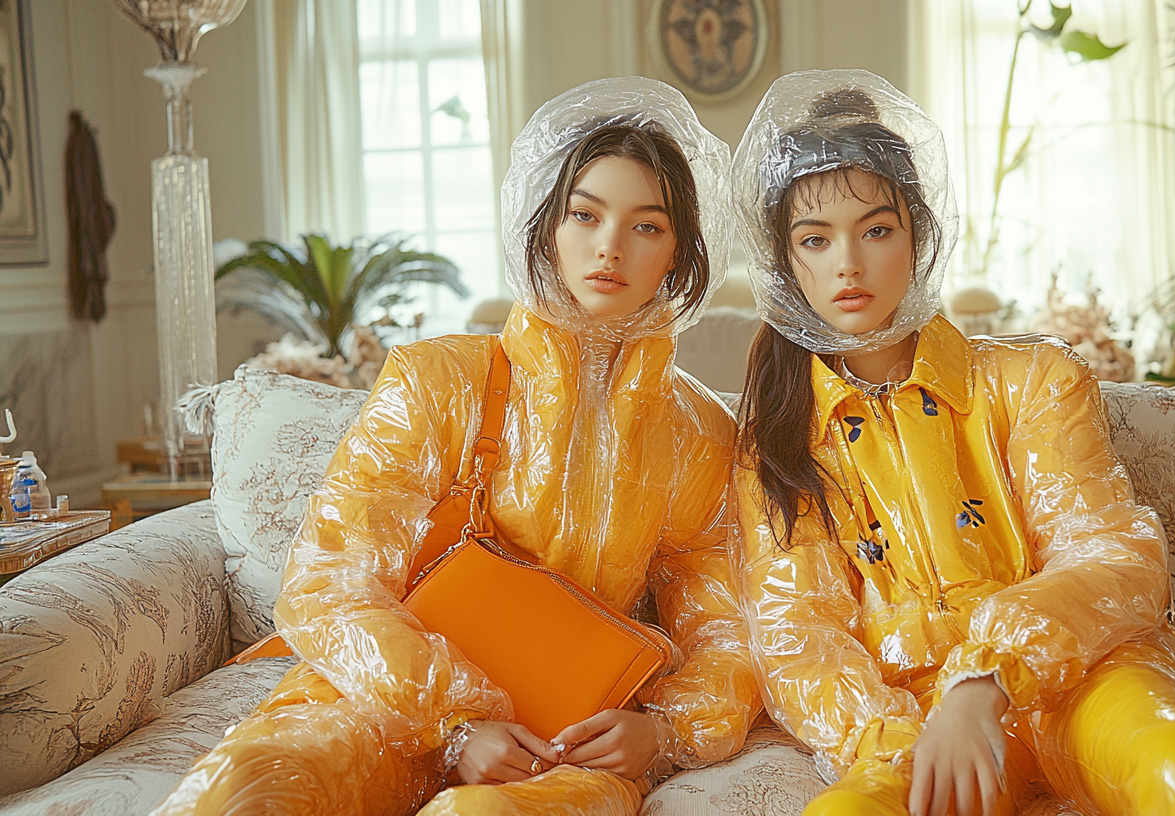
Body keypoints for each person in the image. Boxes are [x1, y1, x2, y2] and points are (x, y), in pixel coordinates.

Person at [153, 77, 759, 816]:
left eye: (647, 226)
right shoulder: (438, 379)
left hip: (565, 740)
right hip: (381, 702)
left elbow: (729, 622)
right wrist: (455, 721)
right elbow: (326, 583)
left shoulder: (697, 431)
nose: (609, 247)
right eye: (584, 214)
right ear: (544, 228)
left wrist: (663, 731)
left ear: (680, 254)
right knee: (253, 788)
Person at [730, 69, 1175, 816]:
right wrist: (888, 737)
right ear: (786, 264)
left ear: (920, 235)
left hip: (1087, 675)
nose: (848, 263)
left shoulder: (1034, 376)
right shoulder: (774, 439)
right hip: (915, 721)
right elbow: (796, 631)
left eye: (876, 229)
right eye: (815, 238)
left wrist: (984, 676)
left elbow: (1111, 554)